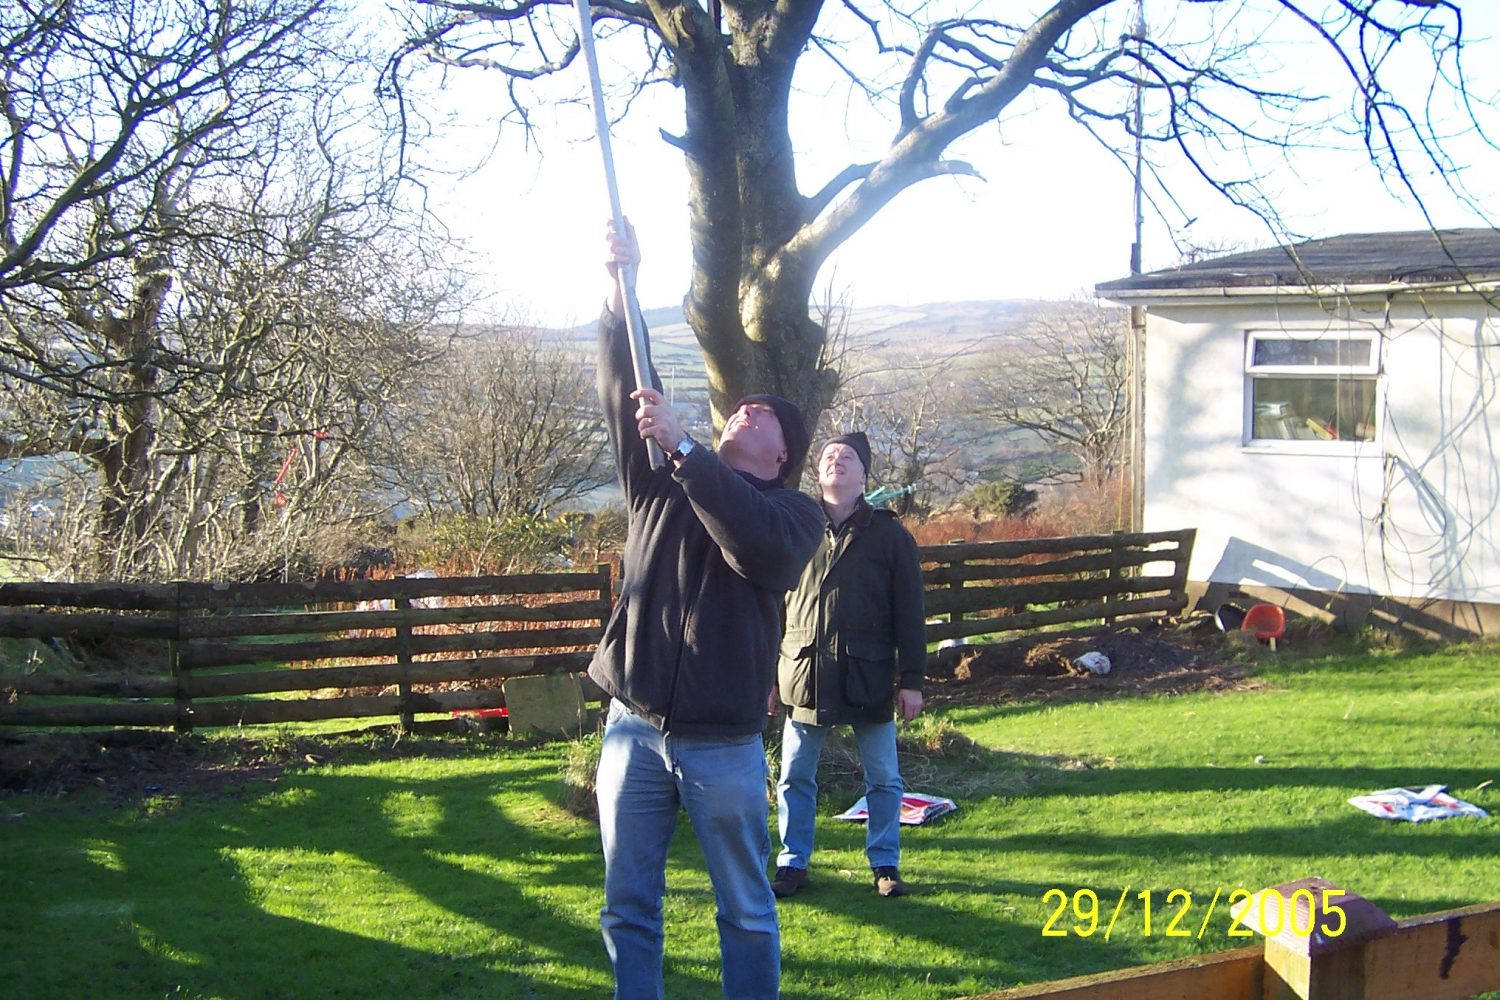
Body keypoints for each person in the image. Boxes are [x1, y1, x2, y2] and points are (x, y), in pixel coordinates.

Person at [589, 219, 823, 1000]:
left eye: (759, 415)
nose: (742, 412)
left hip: (721, 745)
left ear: (782, 453)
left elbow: (753, 548)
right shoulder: (660, 481)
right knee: (629, 909)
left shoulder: (794, 518)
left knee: (747, 911)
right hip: (634, 727)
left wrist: (688, 451)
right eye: (737, 408)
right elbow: (626, 390)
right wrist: (622, 297)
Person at [769, 431, 927, 900]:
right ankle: (792, 863)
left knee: (883, 779)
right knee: (795, 775)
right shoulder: (792, 524)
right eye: (829, 456)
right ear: (818, 473)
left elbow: (911, 614)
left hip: (869, 675)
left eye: (848, 457)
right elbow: (771, 607)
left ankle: (885, 863)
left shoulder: (891, 536)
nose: (836, 461)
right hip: (803, 674)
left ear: (863, 475)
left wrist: (912, 681)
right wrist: (767, 677)